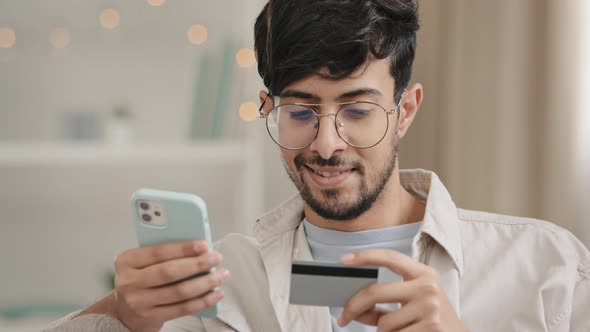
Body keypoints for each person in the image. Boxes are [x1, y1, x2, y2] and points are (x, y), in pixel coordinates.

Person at [45, 0, 590, 331]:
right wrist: (123, 315)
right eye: (301, 111)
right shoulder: (226, 283)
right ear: (268, 108)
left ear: (405, 111)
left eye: (356, 110)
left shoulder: (547, 268)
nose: (327, 144)